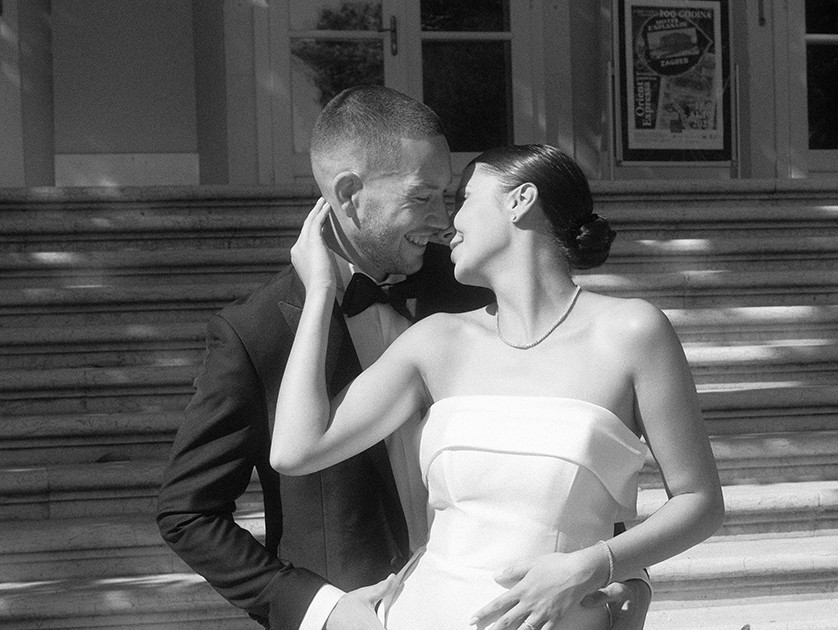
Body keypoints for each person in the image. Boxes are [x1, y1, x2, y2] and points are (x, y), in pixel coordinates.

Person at [157, 86, 651, 630]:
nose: (445, 220)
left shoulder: (475, 287)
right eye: (423, 197)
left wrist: (625, 572)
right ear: (349, 195)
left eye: (451, 196)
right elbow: (189, 513)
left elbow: (575, 440)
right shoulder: (256, 332)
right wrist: (320, 610)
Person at [271, 143, 726, 629]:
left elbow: (700, 502)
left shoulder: (633, 332)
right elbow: (295, 451)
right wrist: (320, 289)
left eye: (464, 197)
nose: (448, 221)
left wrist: (591, 566)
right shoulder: (437, 340)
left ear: (520, 200)